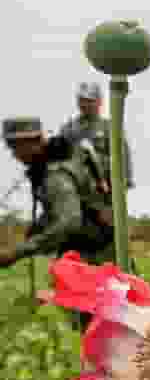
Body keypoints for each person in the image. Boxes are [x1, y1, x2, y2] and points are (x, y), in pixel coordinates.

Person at [0, 118, 115, 327]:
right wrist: (39, 227)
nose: (15, 155)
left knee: (97, 326)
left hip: (91, 257)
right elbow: (70, 206)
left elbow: (68, 221)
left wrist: (17, 252)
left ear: (35, 141)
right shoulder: (66, 160)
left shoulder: (55, 174)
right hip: (101, 251)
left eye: (16, 147)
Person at [58, 82, 134, 189]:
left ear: (99, 102)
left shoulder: (109, 127)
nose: (85, 104)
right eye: (82, 100)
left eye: (90, 101)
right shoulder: (68, 129)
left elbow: (123, 156)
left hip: (103, 186)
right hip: (75, 186)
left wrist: (125, 180)